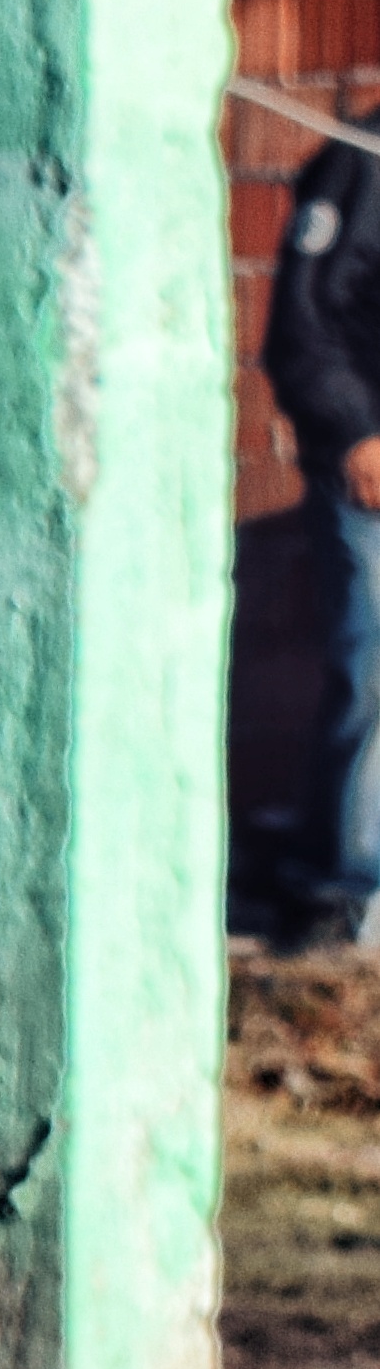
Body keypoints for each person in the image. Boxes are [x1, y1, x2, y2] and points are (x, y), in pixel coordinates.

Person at [263, 128, 380, 938]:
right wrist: (355, 434)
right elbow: (300, 321)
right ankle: (339, 889)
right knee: (370, 666)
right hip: (369, 463)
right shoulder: (360, 156)